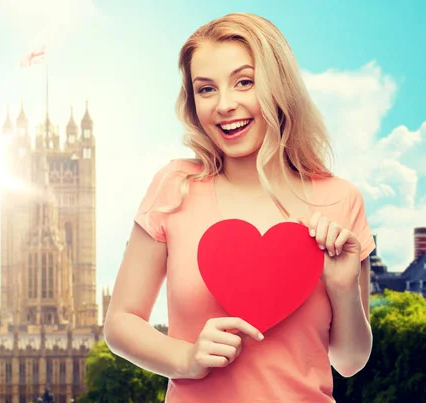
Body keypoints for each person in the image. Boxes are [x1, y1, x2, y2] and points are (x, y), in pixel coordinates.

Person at [103, 12, 375, 403]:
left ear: (279, 86)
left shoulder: (340, 200)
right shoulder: (175, 187)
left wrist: (342, 286)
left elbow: (349, 361)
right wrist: (187, 357)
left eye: (244, 82)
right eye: (206, 89)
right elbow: (120, 323)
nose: (224, 105)